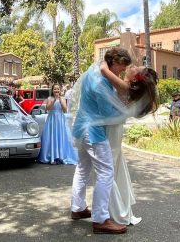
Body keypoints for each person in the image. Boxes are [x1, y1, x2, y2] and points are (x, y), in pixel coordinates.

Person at [70, 48, 158, 234]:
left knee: (83, 168)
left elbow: (112, 82)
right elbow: (107, 114)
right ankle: (101, 219)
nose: (124, 68)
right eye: (121, 65)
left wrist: (106, 71)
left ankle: (77, 208)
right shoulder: (101, 82)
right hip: (92, 131)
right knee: (106, 171)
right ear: (113, 62)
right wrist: (122, 112)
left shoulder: (97, 70)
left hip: (81, 126)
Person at [37, 84, 77, 165]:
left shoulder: (62, 98)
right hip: (52, 119)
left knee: (60, 136)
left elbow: (65, 110)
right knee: (51, 137)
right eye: (55, 89)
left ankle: (61, 157)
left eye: (58, 89)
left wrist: (61, 101)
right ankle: (52, 157)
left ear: (60, 90)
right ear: (52, 90)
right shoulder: (49, 98)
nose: (56, 91)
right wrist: (54, 100)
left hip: (60, 120)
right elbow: (48, 109)